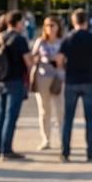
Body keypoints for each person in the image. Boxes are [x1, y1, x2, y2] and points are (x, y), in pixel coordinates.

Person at [59, 8, 92, 162]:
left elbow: (59, 61)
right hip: (88, 79)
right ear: (86, 21)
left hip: (71, 80)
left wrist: (67, 66)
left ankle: (65, 152)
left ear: (73, 21)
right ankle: (90, 151)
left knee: (68, 119)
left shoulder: (67, 39)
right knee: (90, 119)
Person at [0, 10, 33, 160]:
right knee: (11, 116)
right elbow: (28, 62)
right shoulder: (19, 40)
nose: (24, 25)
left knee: (0, 115)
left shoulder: (0, 37)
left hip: (0, 79)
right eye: (22, 22)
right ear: (17, 23)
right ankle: (7, 149)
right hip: (15, 80)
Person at [31, 16, 65, 150]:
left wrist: (60, 61)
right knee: (44, 110)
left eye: (53, 25)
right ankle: (46, 139)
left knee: (60, 110)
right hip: (42, 77)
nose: (50, 28)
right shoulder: (40, 42)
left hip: (58, 77)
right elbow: (32, 57)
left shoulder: (62, 42)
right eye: (47, 25)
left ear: (58, 27)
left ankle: (63, 139)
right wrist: (37, 58)